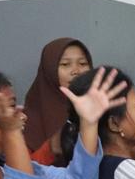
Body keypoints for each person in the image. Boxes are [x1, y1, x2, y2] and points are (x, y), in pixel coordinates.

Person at [24, 37, 93, 165]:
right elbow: (22, 174)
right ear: (50, 70)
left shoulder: (99, 109)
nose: (76, 71)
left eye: (83, 64)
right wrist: (52, 147)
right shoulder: (25, 120)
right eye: (65, 64)